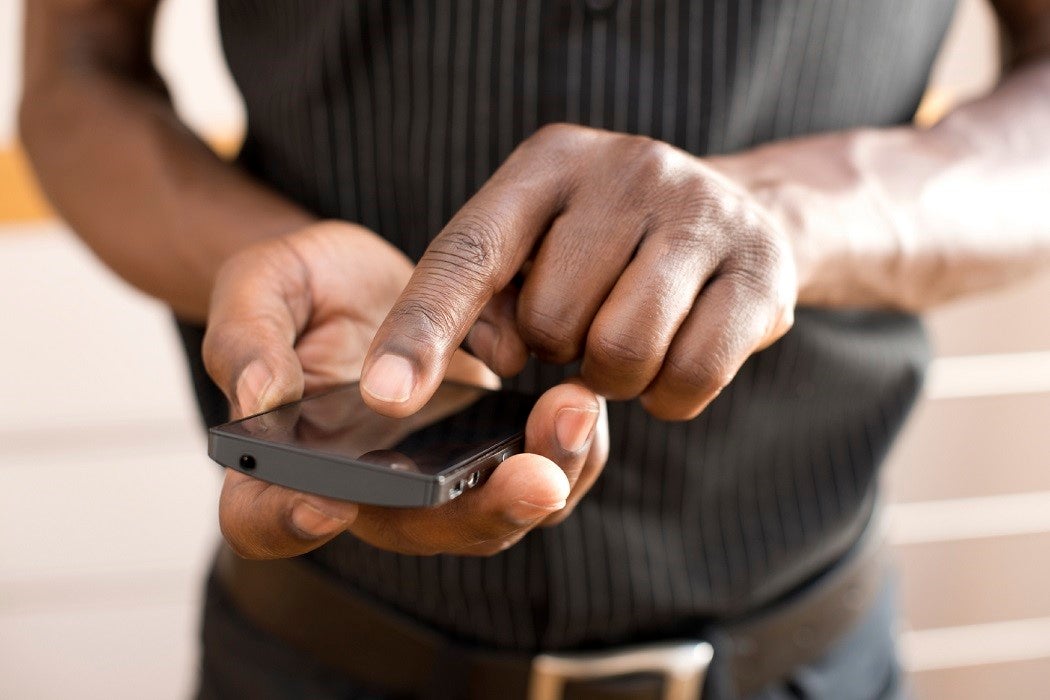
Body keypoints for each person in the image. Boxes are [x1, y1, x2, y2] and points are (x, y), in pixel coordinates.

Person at [20, 1, 1050, 698]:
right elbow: (74, 78)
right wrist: (263, 260)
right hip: (310, 655)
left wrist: (778, 218)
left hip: (810, 651)